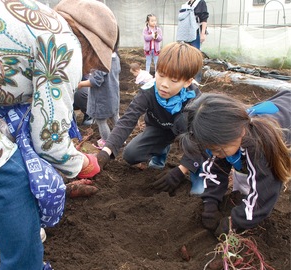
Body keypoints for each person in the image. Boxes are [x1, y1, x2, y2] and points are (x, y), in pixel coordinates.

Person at [0, 0, 118, 269]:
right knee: (12, 181)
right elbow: (49, 141)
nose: (90, 70)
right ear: (87, 42)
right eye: (95, 62)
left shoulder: (39, 21)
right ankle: (24, 262)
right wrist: (82, 163)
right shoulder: (65, 42)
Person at [96, 42, 204, 195]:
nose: (164, 85)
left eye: (173, 80)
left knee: (190, 126)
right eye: (161, 75)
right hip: (160, 129)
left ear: (187, 81)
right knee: (130, 154)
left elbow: (201, 139)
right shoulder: (148, 91)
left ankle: (197, 171)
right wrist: (106, 151)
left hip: (188, 135)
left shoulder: (195, 99)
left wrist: (180, 170)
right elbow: (128, 120)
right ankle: (160, 150)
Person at [180, 91, 291, 237]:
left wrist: (235, 221)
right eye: (210, 149)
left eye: (218, 149)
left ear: (240, 133)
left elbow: (263, 197)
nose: (214, 153)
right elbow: (214, 167)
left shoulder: (261, 146)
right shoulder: (222, 131)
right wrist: (210, 203)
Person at [77, 36, 121, 150]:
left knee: (101, 121)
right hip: (113, 95)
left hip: (102, 98)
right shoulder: (115, 57)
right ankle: (121, 137)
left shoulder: (101, 61)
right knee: (114, 116)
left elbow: (95, 81)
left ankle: (106, 143)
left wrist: (81, 84)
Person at [176, 0, 209, 82]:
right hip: (186, 33)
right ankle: (186, 76)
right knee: (186, 54)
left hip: (195, 33)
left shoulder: (200, 2)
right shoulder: (186, 4)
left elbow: (204, 19)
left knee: (195, 55)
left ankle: (197, 79)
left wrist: (203, 33)